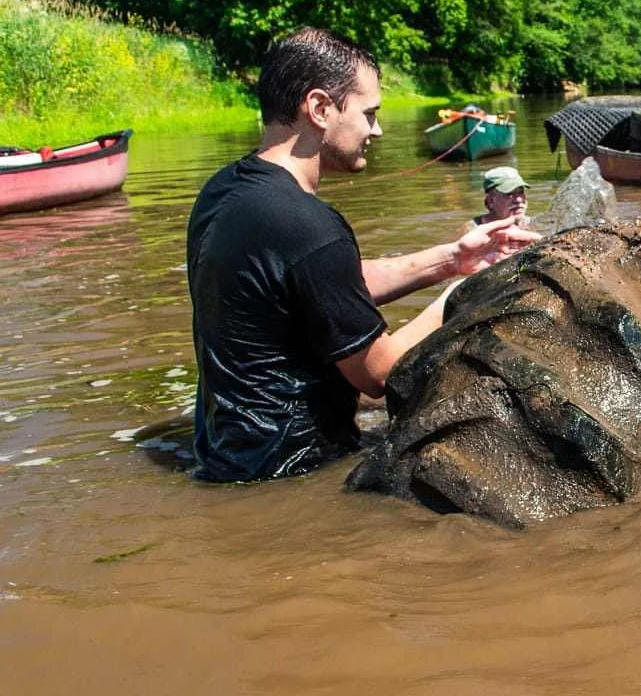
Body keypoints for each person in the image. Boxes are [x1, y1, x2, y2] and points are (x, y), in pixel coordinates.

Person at [187, 28, 538, 483]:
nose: (377, 129)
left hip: (224, 452)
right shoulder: (307, 224)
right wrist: (461, 295)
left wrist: (453, 259)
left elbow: (322, 287)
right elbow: (381, 374)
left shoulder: (224, 191)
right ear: (318, 108)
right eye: (368, 113)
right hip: (292, 470)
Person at [470, 165, 530, 229]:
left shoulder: (533, 225)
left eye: (521, 192)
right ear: (491, 201)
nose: (519, 200)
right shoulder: (471, 232)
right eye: (509, 193)